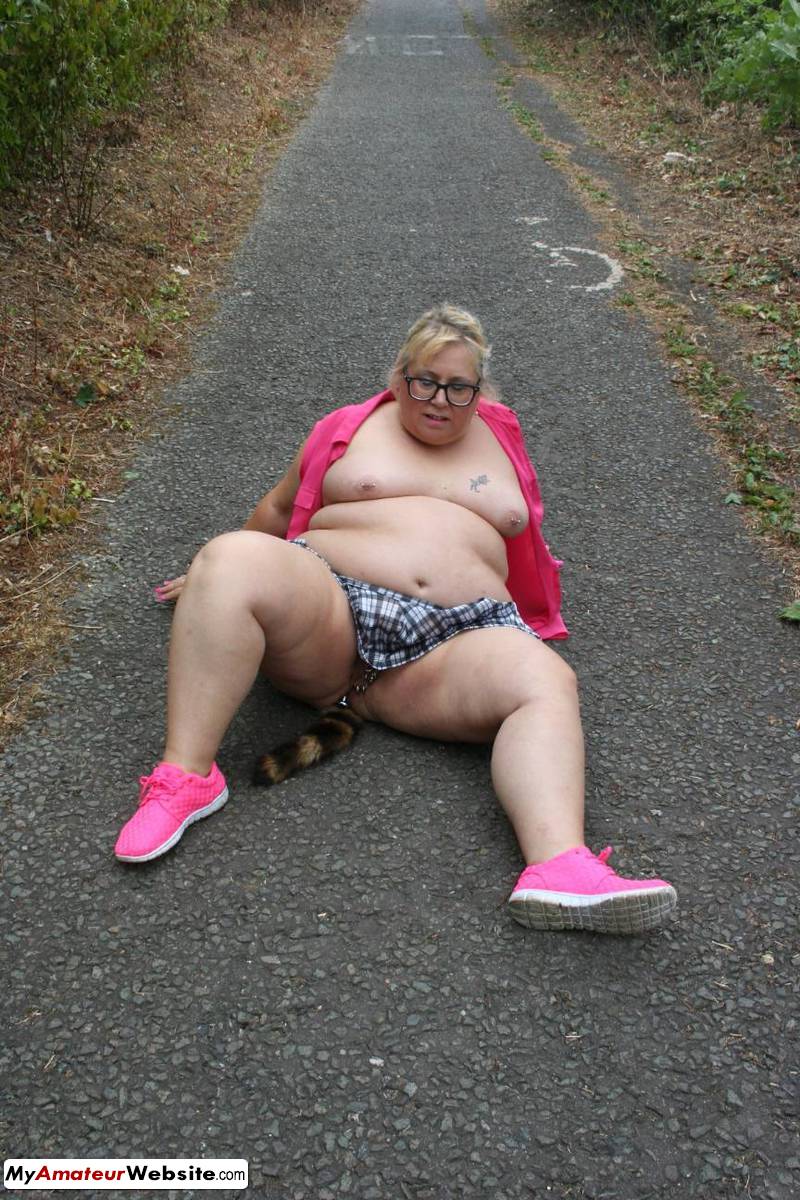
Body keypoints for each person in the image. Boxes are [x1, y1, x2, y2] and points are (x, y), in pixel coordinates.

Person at [115, 304, 677, 935]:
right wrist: (209, 581)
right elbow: (276, 508)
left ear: (481, 390)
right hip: (329, 612)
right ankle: (186, 777)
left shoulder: (502, 436)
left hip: (456, 642)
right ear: (398, 375)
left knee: (546, 680)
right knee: (228, 558)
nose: (439, 399)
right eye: (425, 381)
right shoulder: (347, 428)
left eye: (459, 387)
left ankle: (559, 867)